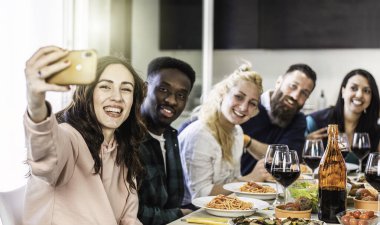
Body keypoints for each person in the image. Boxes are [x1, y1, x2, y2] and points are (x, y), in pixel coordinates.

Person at [23, 46, 145, 225]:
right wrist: (35, 102)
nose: (117, 97)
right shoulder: (69, 137)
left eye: (126, 89)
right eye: (105, 86)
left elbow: (129, 219)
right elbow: (46, 158)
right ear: (87, 93)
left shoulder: (123, 149)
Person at [179, 63, 263, 204]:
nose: (243, 107)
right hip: (191, 215)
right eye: (239, 97)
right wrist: (249, 179)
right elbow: (200, 195)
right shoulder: (200, 135)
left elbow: (233, 181)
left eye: (252, 103)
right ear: (223, 94)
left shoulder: (237, 132)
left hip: (223, 208)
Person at [137, 56, 196, 225]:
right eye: (163, 89)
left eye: (181, 95)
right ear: (145, 89)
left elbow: (173, 201)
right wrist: (179, 214)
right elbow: (131, 212)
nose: (172, 100)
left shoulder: (171, 137)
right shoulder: (129, 139)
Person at [241, 63, 317, 176]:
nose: (295, 96)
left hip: (276, 188)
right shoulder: (247, 106)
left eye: (304, 93)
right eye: (293, 86)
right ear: (278, 82)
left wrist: (246, 140)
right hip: (236, 186)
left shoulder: (298, 120)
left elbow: (285, 160)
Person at [306, 69, 380, 166]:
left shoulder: (375, 129)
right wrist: (305, 143)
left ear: (371, 97)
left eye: (366, 91)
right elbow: (299, 164)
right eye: (354, 88)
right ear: (343, 91)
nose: (359, 95)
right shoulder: (315, 122)